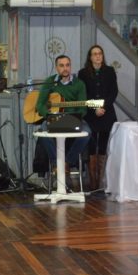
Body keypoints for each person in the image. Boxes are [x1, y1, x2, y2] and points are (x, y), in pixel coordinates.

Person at [35, 55, 92, 188]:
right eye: (62, 65)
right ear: (56, 67)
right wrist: (49, 115)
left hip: (73, 118)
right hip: (53, 118)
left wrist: (75, 116)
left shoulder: (79, 84)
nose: (65, 68)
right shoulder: (50, 82)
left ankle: (66, 163)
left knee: (87, 132)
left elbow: (83, 108)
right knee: (42, 131)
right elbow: (40, 105)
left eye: (67, 65)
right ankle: (57, 163)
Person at [78, 45, 118, 191]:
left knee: (102, 146)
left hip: (107, 113)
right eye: (94, 54)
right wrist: (95, 109)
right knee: (91, 145)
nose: (98, 56)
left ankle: (100, 182)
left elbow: (113, 92)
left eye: (100, 53)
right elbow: (83, 94)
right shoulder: (83, 73)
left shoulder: (109, 71)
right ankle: (92, 182)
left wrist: (103, 107)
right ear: (90, 57)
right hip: (91, 114)